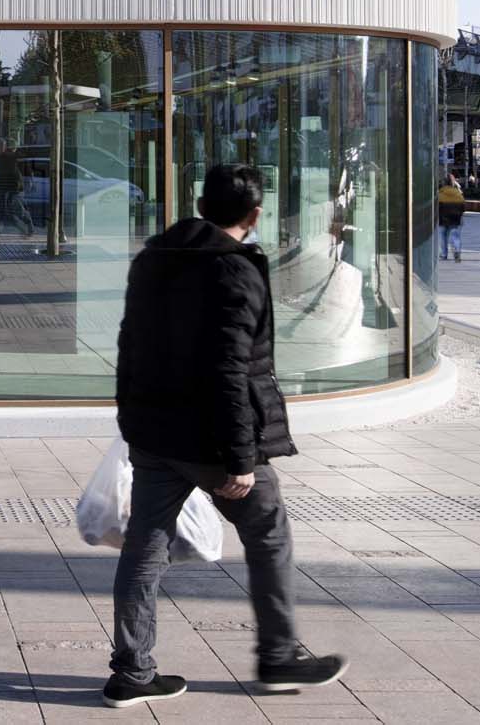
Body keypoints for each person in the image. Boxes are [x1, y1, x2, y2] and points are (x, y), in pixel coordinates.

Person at [103, 163, 346, 708]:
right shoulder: (234, 270)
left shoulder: (153, 259)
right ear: (254, 215)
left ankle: (133, 671)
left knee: (145, 547)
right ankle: (278, 656)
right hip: (213, 442)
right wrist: (241, 458)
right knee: (268, 532)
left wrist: (131, 420)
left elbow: (128, 343)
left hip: (154, 433)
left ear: (200, 206)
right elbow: (229, 371)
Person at [0, 140, 28, 240]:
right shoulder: (3, 157)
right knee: (4, 211)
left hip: (8, 187)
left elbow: (5, 174)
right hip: (8, 187)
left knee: (2, 211)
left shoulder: (6, 157)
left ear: (1, 148)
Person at [437, 173, 466, 262]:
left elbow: (436, 206)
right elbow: (463, 206)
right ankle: (457, 251)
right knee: (455, 236)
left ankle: (444, 254)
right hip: (455, 217)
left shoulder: (440, 193)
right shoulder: (457, 193)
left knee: (443, 236)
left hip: (443, 218)